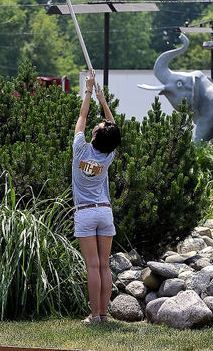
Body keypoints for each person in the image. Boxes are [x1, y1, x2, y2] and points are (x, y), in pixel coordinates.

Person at [72, 71, 121, 323]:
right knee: (104, 266)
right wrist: (104, 102)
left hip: (85, 212)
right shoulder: (108, 155)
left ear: (95, 135)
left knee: (93, 266)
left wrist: (89, 89)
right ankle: (104, 314)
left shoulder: (80, 149)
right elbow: (113, 130)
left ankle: (94, 316)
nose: (99, 123)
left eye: (99, 125)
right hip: (104, 211)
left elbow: (82, 115)